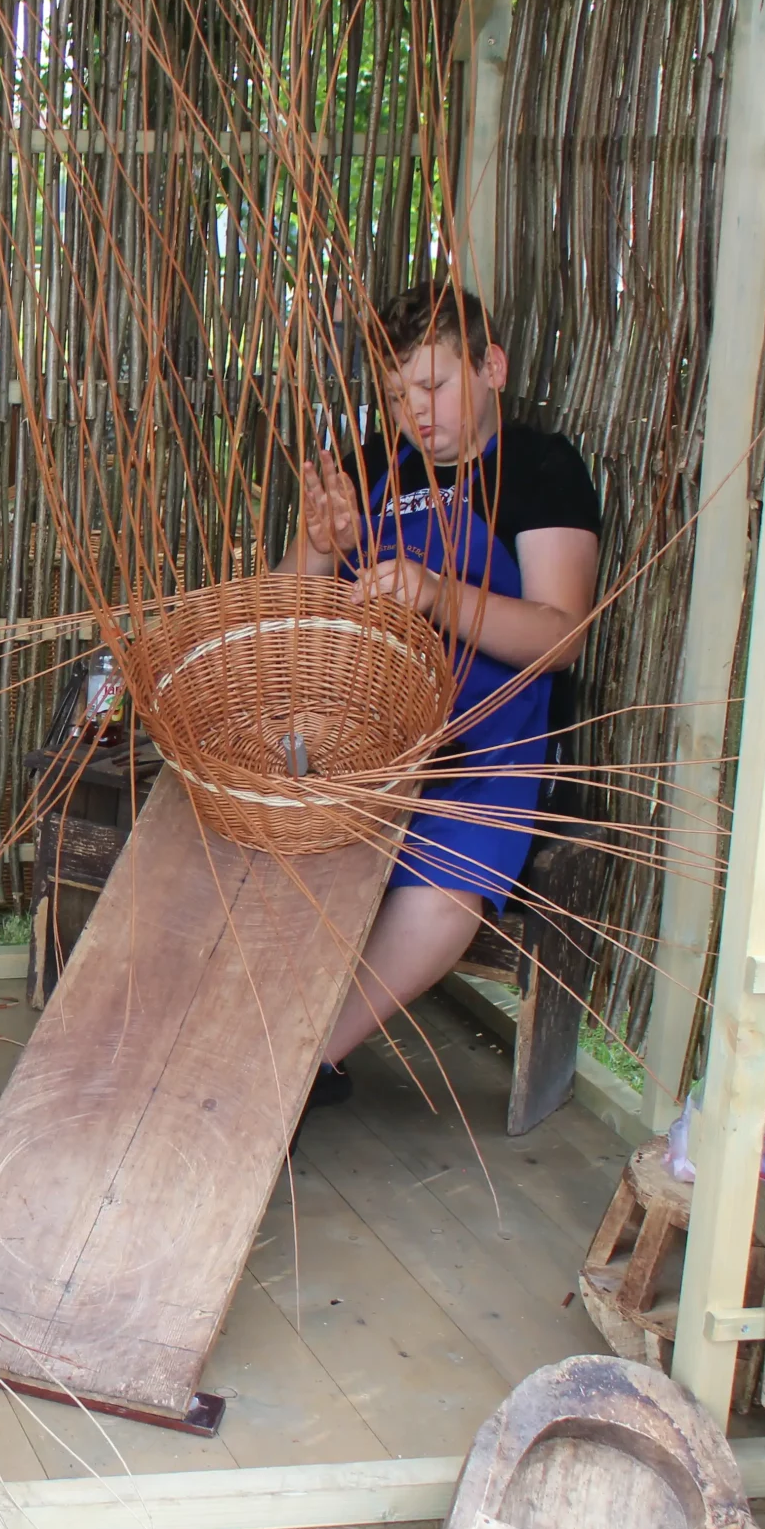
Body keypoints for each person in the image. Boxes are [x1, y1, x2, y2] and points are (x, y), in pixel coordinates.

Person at [286, 281, 601, 1105]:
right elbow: (284, 616)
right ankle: (255, 1024)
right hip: (362, 736)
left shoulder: (538, 470)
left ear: (491, 366)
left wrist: (437, 595)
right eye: (397, 396)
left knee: (444, 887)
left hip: (484, 746)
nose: (415, 413)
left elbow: (561, 634)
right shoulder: (371, 469)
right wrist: (318, 552)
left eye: (432, 385)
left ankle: (304, 1062)